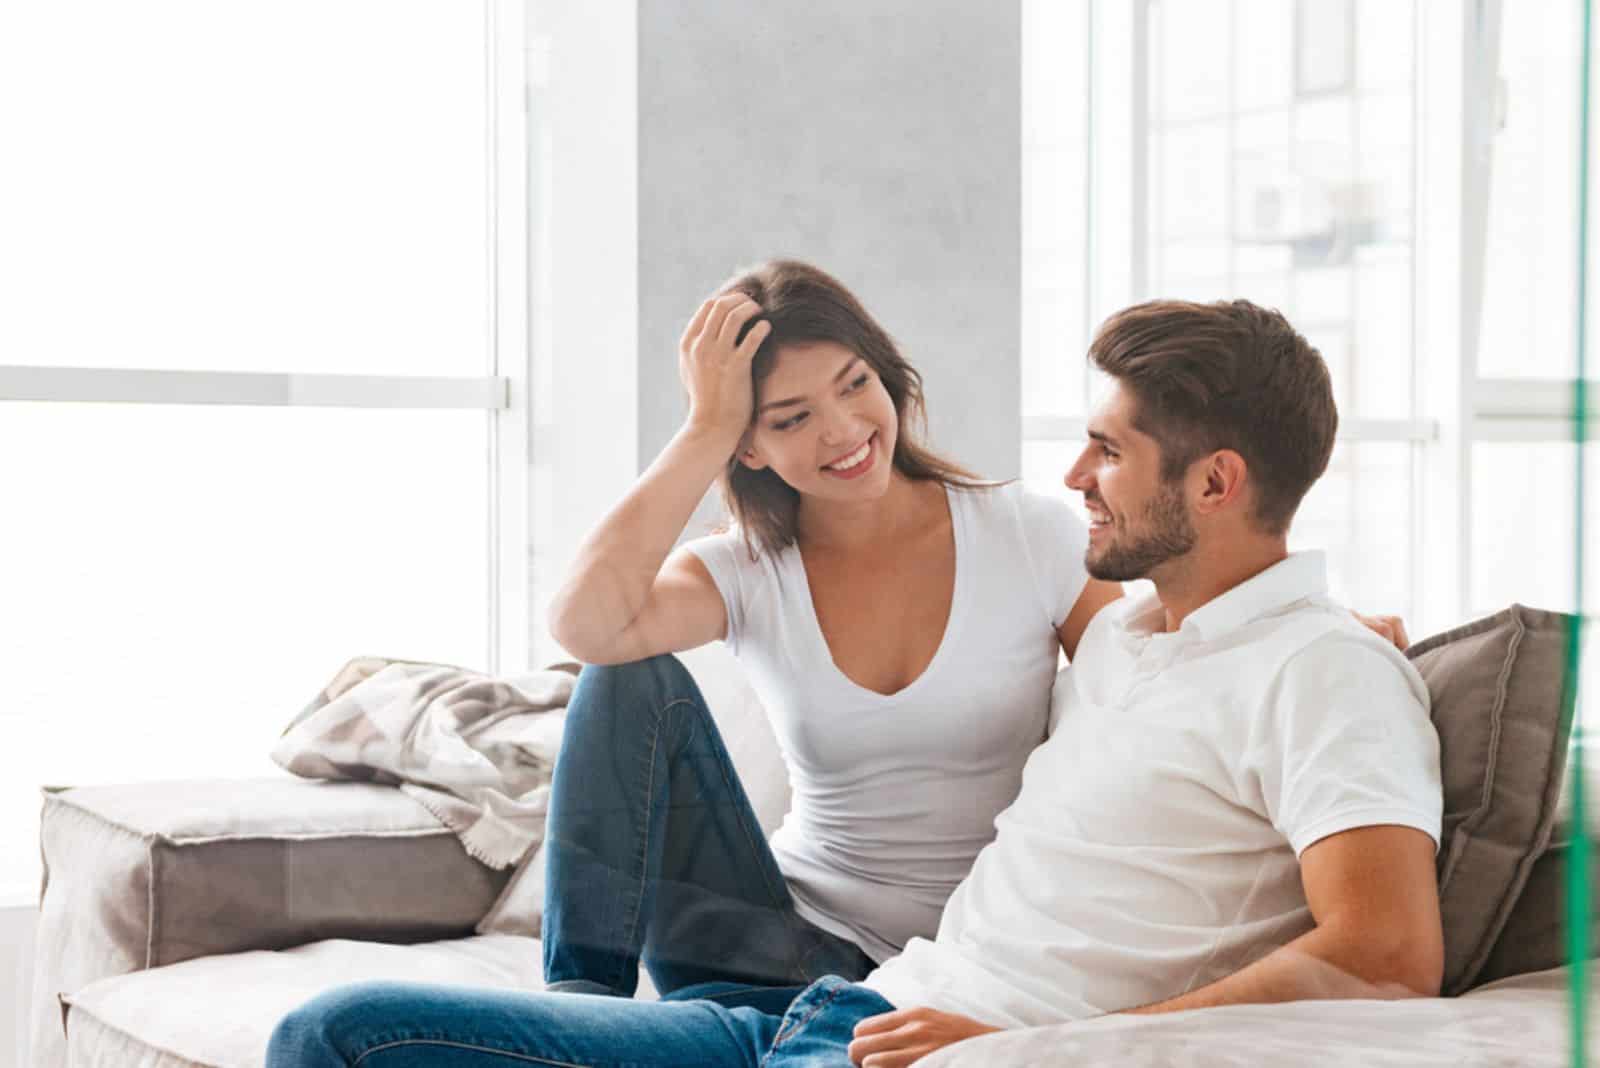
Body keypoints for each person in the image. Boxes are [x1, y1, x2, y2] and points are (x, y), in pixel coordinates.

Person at [267, 296, 1443, 1068]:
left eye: (1110, 450)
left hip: (935, 1045)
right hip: (831, 1006)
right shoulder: (1136, 642)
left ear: (1215, 482)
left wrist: (1028, 1048)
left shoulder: (1319, 671)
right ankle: (592, 996)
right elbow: (595, 623)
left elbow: (1386, 955)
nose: (1074, 472)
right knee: (337, 1032)